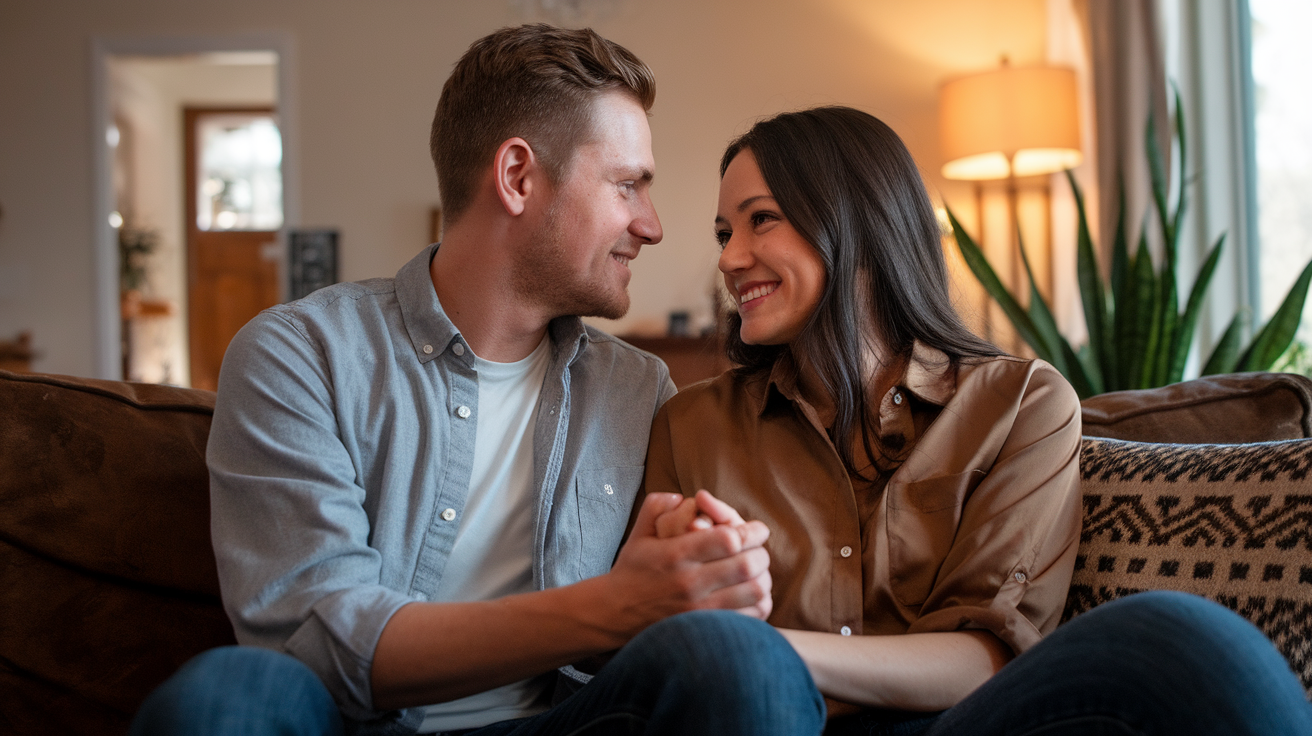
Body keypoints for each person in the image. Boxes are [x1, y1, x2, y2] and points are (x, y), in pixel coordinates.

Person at [130, 25, 824, 736]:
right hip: (350, 726)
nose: (651, 225)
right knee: (227, 694)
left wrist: (694, 563)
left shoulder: (638, 389)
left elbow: (656, 626)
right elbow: (321, 643)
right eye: (627, 186)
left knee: (742, 659)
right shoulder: (300, 356)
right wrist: (617, 601)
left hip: (560, 723)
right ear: (518, 177)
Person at [641, 105, 1312, 735]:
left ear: (858, 221)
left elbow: (987, 656)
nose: (729, 258)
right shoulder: (689, 424)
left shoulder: (1022, 404)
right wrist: (727, 647)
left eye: (761, 220)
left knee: (1181, 637)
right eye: (725, 233)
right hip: (768, 719)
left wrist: (760, 649)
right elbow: (656, 642)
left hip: (955, 723)